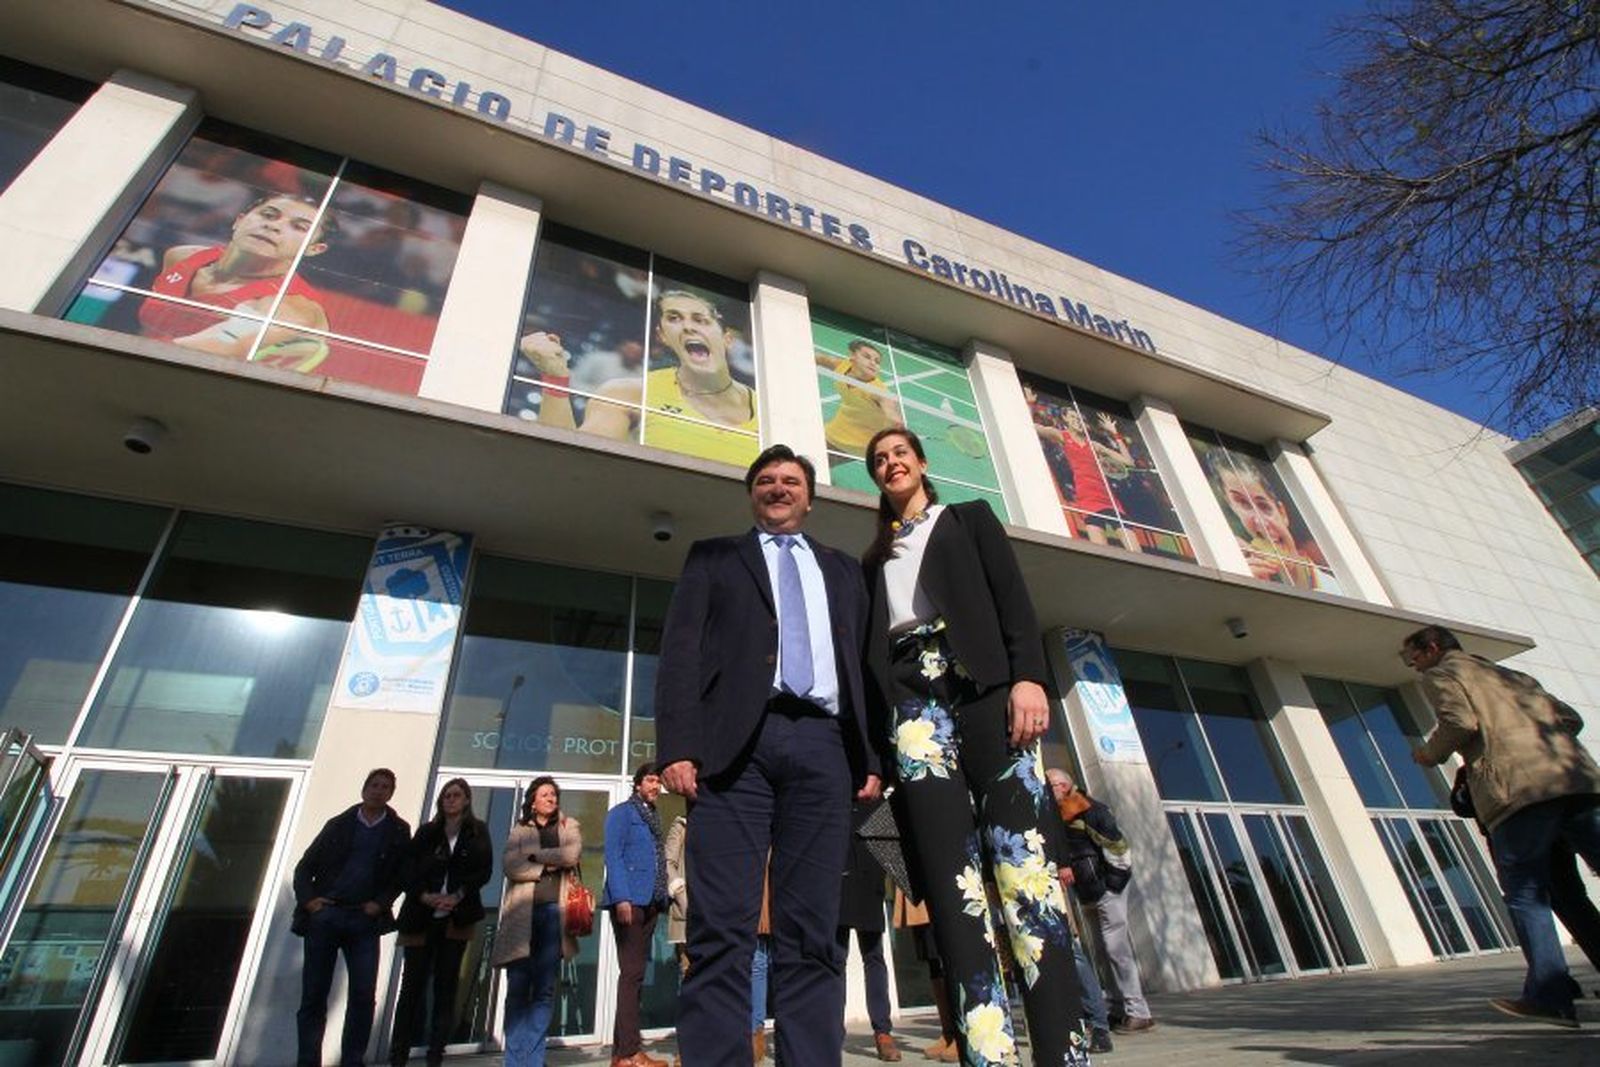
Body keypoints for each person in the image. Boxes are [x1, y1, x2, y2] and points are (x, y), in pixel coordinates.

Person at [862, 426, 1088, 1066]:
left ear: (921, 462)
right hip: (913, 706)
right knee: (953, 886)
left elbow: (1012, 597)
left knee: (1027, 878)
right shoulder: (873, 558)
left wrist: (1030, 677)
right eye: (879, 460)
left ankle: (1063, 1056)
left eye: (899, 453)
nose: (890, 464)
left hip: (986, 688)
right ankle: (989, 1056)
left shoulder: (967, 519)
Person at [655, 443, 882, 1066]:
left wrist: (871, 756)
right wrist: (676, 746)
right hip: (734, 752)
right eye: (766, 480)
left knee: (812, 929)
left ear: (810, 497)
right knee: (721, 928)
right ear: (752, 493)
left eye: (790, 481)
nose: (778, 488)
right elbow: (679, 655)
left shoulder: (842, 569)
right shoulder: (713, 558)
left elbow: (862, 667)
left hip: (823, 744)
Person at [1406, 624, 1600, 1027]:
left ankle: (1550, 995)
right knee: (1566, 892)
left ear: (1433, 648)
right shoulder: (1513, 675)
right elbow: (1570, 718)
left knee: (1526, 893)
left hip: (1520, 792)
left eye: (1415, 657)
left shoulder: (1444, 673)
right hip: (1576, 780)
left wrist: (1428, 754)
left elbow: (1460, 722)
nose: (1414, 666)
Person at [522, 289, 758, 464]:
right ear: (663, 336)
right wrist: (555, 377)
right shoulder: (627, 393)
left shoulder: (769, 412)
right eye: (674, 318)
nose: (688, 327)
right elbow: (570, 466)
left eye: (700, 319)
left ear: (727, 339)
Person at [292, 768, 412, 1067]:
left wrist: (381, 903)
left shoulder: (398, 830)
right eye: (374, 785)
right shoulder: (339, 824)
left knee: (362, 996)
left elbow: (401, 874)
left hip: (363, 920)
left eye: (385, 787)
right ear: (364, 789)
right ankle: (308, 1060)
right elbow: (305, 867)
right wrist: (309, 902)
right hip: (327, 915)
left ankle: (353, 1060)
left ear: (391, 794)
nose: (379, 790)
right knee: (314, 995)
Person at [140, 192, 335, 369]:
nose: (273, 226)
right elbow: (153, 330)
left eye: (300, 227)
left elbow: (186, 354)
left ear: (313, 250)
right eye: (268, 215)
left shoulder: (286, 309)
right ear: (239, 221)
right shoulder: (182, 257)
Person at [388, 779, 493, 1066]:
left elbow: (484, 870)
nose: (451, 800)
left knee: (446, 988)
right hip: (421, 917)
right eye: (446, 796)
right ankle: (399, 1053)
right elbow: (407, 868)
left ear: (467, 800)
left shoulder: (476, 832)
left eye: (457, 795)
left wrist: (458, 895)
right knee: (411, 987)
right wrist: (425, 895)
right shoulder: (427, 832)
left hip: (456, 918)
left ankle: (436, 1053)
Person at [1046, 767, 1152, 1042]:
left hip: (1106, 890)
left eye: (1053, 784)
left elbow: (1118, 848)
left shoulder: (1091, 810)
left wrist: (1113, 884)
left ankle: (1138, 1011)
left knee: (1117, 950)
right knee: (1102, 953)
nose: (1049, 789)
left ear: (1066, 786)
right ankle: (1118, 1008)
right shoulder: (1059, 816)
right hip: (1087, 892)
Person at [493, 775, 583, 1067]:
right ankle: (516, 1058)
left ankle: (532, 1059)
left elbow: (571, 854)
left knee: (544, 990)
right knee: (518, 987)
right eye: (545, 794)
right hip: (522, 915)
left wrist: (533, 857)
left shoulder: (569, 826)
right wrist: (548, 863)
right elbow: (510, 865)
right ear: (533, 800)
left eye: (554, 795)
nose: (551, 799)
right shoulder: (520, 830)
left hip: (554, 915)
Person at [601, 764, 670, 1067]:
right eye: (651, 780)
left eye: (658, 782)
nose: (656, 786)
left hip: (651, 902)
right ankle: (630, 1052)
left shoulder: (653, 815)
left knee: (635, 975)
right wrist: (621, 897)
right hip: (629, 902)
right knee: (631, 975)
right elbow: (613, 855)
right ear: (638, 783)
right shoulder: (622, 813)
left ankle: (621, 1055)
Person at [1199, 451, 1333, 590]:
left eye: (1264, 506)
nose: (1260, 522)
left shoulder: (1333, 589)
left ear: (1282, 513)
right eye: (1243, 504)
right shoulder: (1248, 571)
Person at [838, 797, 900, 1062]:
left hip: (868, 880)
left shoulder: (874, 792)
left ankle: (883, 1032)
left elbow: (889, 842)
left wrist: (883, 877)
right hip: (837, 880)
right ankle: (832, 1031)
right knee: (835, 959)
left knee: (874, 956)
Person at [891, 889, 957, 1063]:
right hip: (917, 885)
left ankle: (961, 1031)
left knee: (952, 954)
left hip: (942, 883)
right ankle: (948, 1032)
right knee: (932, 956)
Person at [816, 339, 902, 456]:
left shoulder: (880, 392)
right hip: (835, 429)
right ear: (853, 357)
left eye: (877, 362)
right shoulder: (843, 367)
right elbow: (821, 359)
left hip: (856, 445)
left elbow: (894, 419)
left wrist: (891, 432)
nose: (873, 363)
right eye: (867, 357)